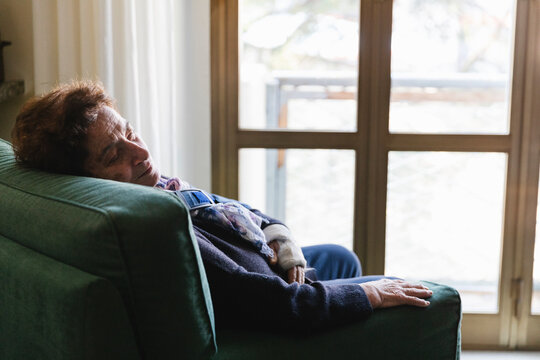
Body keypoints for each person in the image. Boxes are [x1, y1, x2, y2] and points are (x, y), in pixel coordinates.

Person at [11, 81, 433, 331]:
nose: (138, 151)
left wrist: (280, 238)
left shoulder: (163, 190)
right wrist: (371, 297)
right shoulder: (160, 225)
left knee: (340, 257)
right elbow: (277, 305)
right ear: (83, 179)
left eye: (129, 132)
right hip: (279, 302)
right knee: (404, 295)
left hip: (272, 268)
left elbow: (234, 208)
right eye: (111, 154)